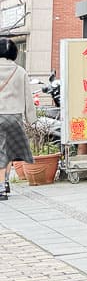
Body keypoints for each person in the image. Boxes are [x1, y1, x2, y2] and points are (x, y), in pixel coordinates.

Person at [0, 38, 37, 199]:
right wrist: (31, 118)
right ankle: (5, 181)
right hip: (14, 117)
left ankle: (1, 186)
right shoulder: (20, 71)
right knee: (8, 151)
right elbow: (28, 97)